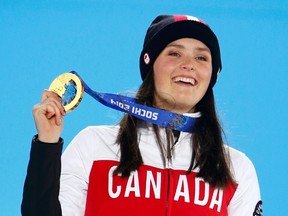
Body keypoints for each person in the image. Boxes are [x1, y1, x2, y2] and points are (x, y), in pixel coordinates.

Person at [21, 14, 262, 216]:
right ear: (151, 66)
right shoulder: (93, 145)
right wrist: (47, 144)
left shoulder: (236, 169)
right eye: (174, 53)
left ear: (212, 76)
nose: (189, 64)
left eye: (201, 57)